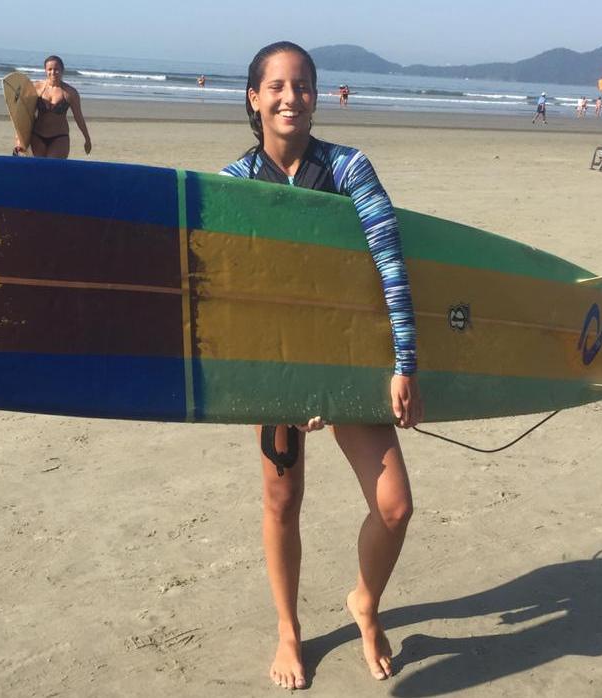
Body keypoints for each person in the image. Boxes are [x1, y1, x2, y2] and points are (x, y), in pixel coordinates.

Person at [220, 41, 422, 690]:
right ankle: (289, 629)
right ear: (254, 98)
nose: (291, 97)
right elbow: (228, 295)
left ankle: (365, 600)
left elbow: (390, 264)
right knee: (282, 500)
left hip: (352, 359)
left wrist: (404, 361)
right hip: (274, 368)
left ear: (317, 95)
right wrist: (279, 383)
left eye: (303, 85)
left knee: (395, 506)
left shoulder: (347, 168)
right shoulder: (234, 183)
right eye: (277, 86)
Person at [16, 55, 92, 159]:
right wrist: (19, 140)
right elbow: (25, 115)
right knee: (40, 166)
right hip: (37, 135)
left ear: (62, 70)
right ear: (45, 70)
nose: (53, 72)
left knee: (52, 166)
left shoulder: (70, 93)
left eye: (56, 69)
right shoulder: (36, 88)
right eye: (49, 69)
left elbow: (79, 118)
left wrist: (87, 139)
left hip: (59, 137)